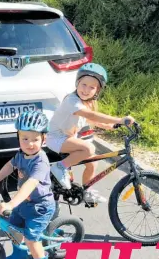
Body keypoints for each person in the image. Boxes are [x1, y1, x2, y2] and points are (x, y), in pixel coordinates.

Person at [46, 63, 135, 203]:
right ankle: (59, 167)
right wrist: (120, 119)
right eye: (84, 85)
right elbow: (92, 115)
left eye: (92, 87)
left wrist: (112, 126)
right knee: (89, 148)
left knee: (93, 163)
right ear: (77, 83)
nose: (86, 90)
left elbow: (92, 119)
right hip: (56, 139)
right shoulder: (72, 101)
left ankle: (86, 191)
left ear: (97, 91)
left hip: (69, 139)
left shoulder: (85, 102)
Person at [0, 110, 55, 259]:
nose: (30, 143)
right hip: (24, 204)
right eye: (25, 138)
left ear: (44, 139)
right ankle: (19, 255)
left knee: (32, 239)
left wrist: (11, 203)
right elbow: (9, 166)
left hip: (40, 206)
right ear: (18, 138)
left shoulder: (41, 161)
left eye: (35, 139)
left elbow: (29, 185)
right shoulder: (21, 155)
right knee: (14, 227)